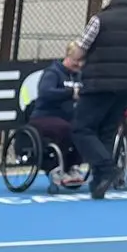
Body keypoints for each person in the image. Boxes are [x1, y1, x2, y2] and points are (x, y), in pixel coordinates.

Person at [70, 0, 127, 199]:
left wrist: (77, 57)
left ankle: (105, 168)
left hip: (99, 83)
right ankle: (99, 182)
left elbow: (79, 51)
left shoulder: (100, 19)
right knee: (107, 130)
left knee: (81, 128)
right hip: (125, 86)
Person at [30, 43, 86, 187]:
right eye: (76, 60)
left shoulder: (79, 76)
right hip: (44, 116)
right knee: (65, 129)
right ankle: (57, 167)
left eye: (82, 61)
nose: (79, 64)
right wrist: (70, 93)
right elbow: (46, 92)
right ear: (68, 56)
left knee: (84, 128)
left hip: (69, 117)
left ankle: (74, 166)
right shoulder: (53, 73)